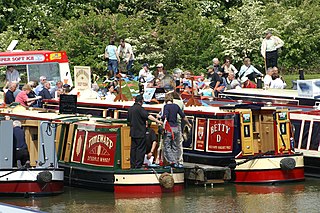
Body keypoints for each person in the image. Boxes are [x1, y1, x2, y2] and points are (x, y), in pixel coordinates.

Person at [127, 95, 162, 169]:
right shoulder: (140, 109)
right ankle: (138, 166)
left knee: (133, 149)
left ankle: (132, 165)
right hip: (140, 132)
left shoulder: (130, 109)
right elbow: (148, 116)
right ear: (141, 101)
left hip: (133, 133)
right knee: (140, 149)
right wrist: (157, 121)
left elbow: (129, 121)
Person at [161, 94, 192, 167]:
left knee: (167, 145)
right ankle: (177, 162)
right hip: (176, 128)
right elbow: (183, 116)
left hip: (169, 128)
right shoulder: (176, 106)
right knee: (175, 145)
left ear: (166, 100)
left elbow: (165, 116)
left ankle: (172, 161)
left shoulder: (166, 107)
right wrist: (188, 123)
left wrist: (160, 117)